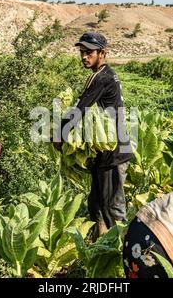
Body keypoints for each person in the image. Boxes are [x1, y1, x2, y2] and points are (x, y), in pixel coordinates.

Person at [54, 32, 133, 239]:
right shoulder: (104, 74)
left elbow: (80, 108)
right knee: (96, 204)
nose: (84, 56)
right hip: (106, 151)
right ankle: (100, 246)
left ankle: (120, 252)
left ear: (102, 53)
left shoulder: (102, 78)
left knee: (112, 207)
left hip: (113, 153)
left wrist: (59, 135)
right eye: (82, 52)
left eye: (89, 52)